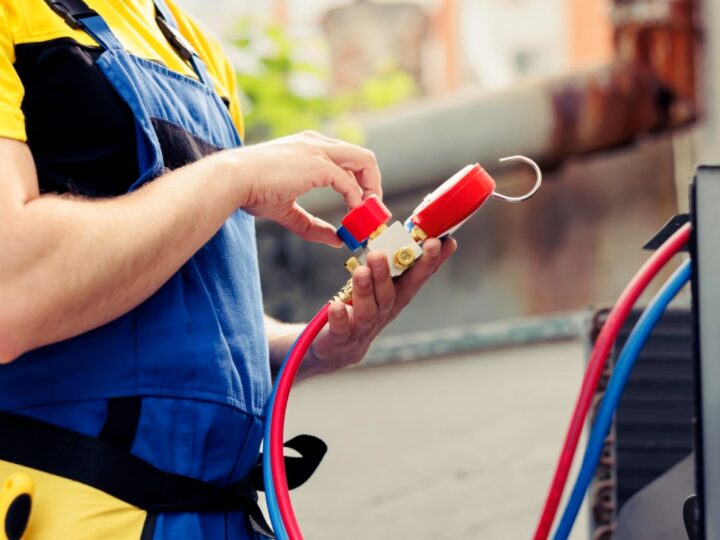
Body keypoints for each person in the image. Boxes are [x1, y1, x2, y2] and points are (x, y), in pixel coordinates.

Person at [0, 0, 456, 538]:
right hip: (69, 507)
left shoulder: (198, 49)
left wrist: (312, 345)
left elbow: (191, 324)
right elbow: (12, 290)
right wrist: (235, 175)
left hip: (220, 518)